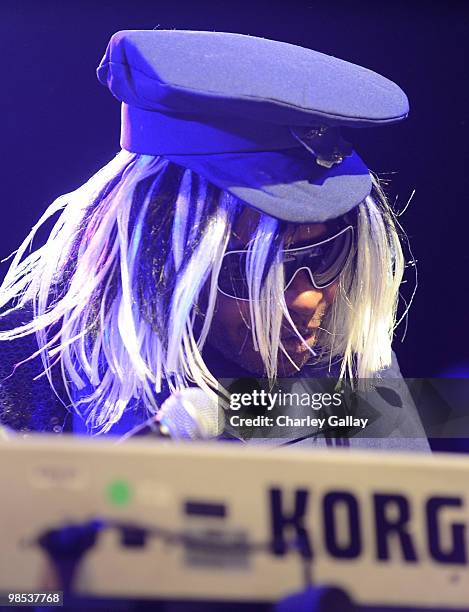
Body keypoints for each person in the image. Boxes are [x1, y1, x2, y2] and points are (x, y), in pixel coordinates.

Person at [0, 30, 428, 450]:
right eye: (248, 270)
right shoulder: (23, 377)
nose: (304, 299)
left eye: (325, 256)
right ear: (161, 258)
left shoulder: (349, 365)